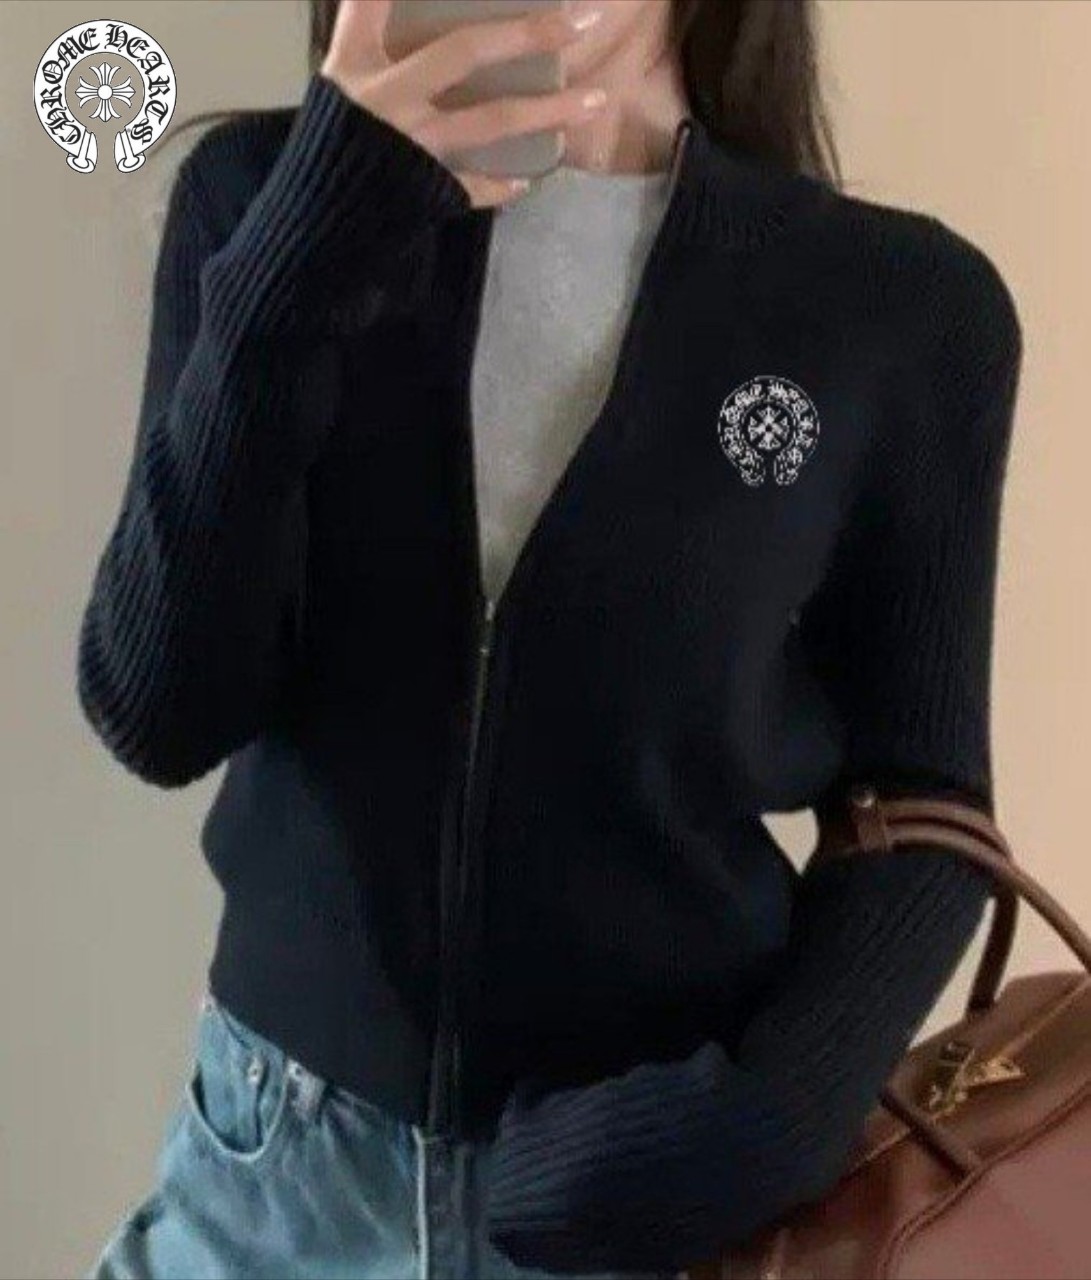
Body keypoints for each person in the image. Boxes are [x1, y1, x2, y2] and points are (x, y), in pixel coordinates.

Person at [80, 0, 1024, 1277]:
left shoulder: (899, 307)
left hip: (640, 1205)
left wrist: (753, 1127)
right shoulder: (252, 201)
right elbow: (158, 709)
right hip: (273, 1183)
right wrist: (303, 245)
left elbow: (925, 802)